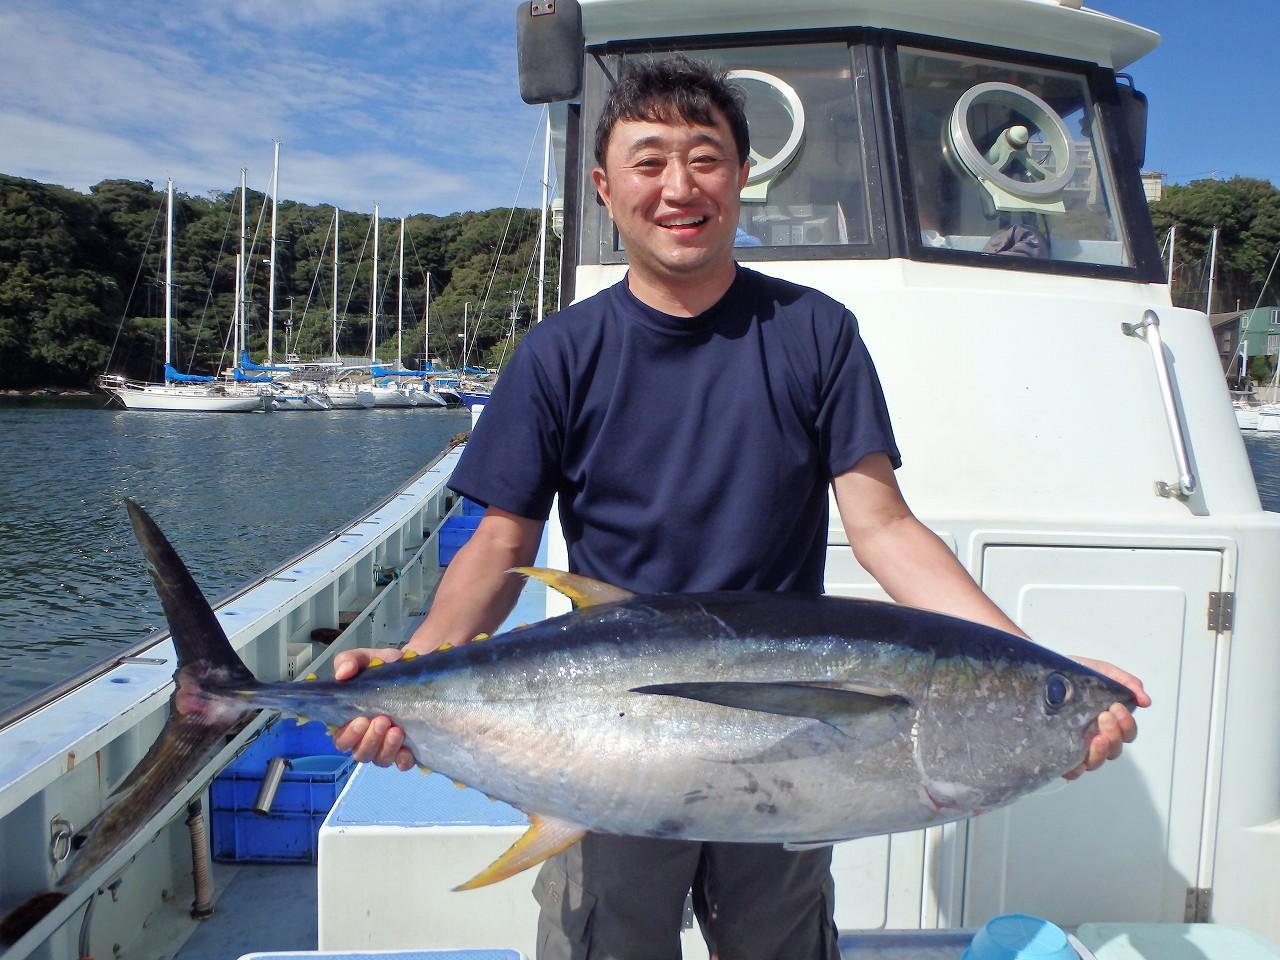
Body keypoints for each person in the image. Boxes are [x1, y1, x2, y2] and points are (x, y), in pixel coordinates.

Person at [332, 55, 1148, 960]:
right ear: (604, 188)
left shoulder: (812, 332)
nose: (679, 187)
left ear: (743, 175)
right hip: (609, 716)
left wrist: (1036, 672)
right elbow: (500, 538)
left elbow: (884, 526)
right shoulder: (559, 353)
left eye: (705, 158)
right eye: (649, 162)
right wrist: (406, 673)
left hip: (789, 740)